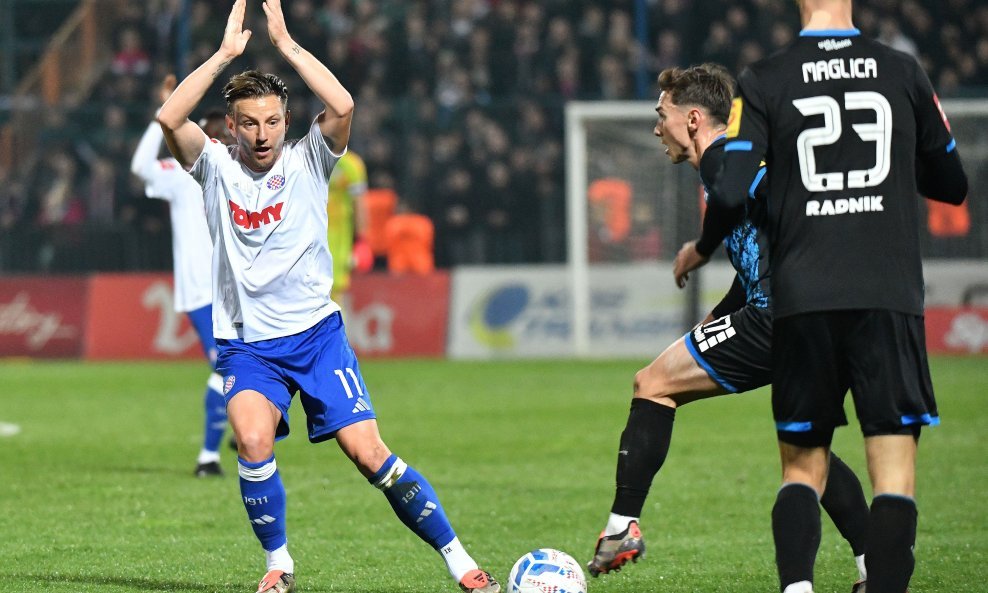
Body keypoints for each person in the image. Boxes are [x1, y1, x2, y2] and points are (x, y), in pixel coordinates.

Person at [156, 2, 499, 592]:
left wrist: (287, 45)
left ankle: (461, 564)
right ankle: (278, 565)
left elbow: (342, 106)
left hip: (316, 338)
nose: (262, 134)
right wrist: (225, 55)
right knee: (253, 439)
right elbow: (169, 116)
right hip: (248, 347)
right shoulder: (213, 168)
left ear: (287, 121)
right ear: (230, 127)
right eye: (249, 123)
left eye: (272, 121)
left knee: (370, 455)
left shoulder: (310, 159)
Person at [675, 2, 969, 592]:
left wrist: (702, 248)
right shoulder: (902, 71)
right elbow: (952, 184)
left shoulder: (765, 78)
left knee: (803, 468)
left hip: (804, 296)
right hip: (886, 292)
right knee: (893, 475)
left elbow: (730, 192)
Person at [588, 63, 871, 588]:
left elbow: (747, 200)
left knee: (653, 383)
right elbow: (759, 254)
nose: (657, 127)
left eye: (663, 114)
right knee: (808, 453)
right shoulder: (739, 162)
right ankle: (873, 564)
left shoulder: (724, 157)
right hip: (818, 317)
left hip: (775, 318)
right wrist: (717, 320)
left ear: (694, 119)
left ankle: (622, 525)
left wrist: (699, 249)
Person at [130, 73, 232, 478]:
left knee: (253, 365)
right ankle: (209, 456)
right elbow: (140, 167)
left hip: (239, 289)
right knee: (224, 369)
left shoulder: (238, 169)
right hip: (202, 291)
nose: (217, 134)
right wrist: (163, 113)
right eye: (210, 128)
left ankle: (247, 424)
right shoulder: (180, 171)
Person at [326, 150, 368, 302]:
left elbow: (359, 204)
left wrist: (362, 241)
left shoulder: (350, 165)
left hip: (337, 243)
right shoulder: (304, 158)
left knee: (332, 294)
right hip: (312, 239)